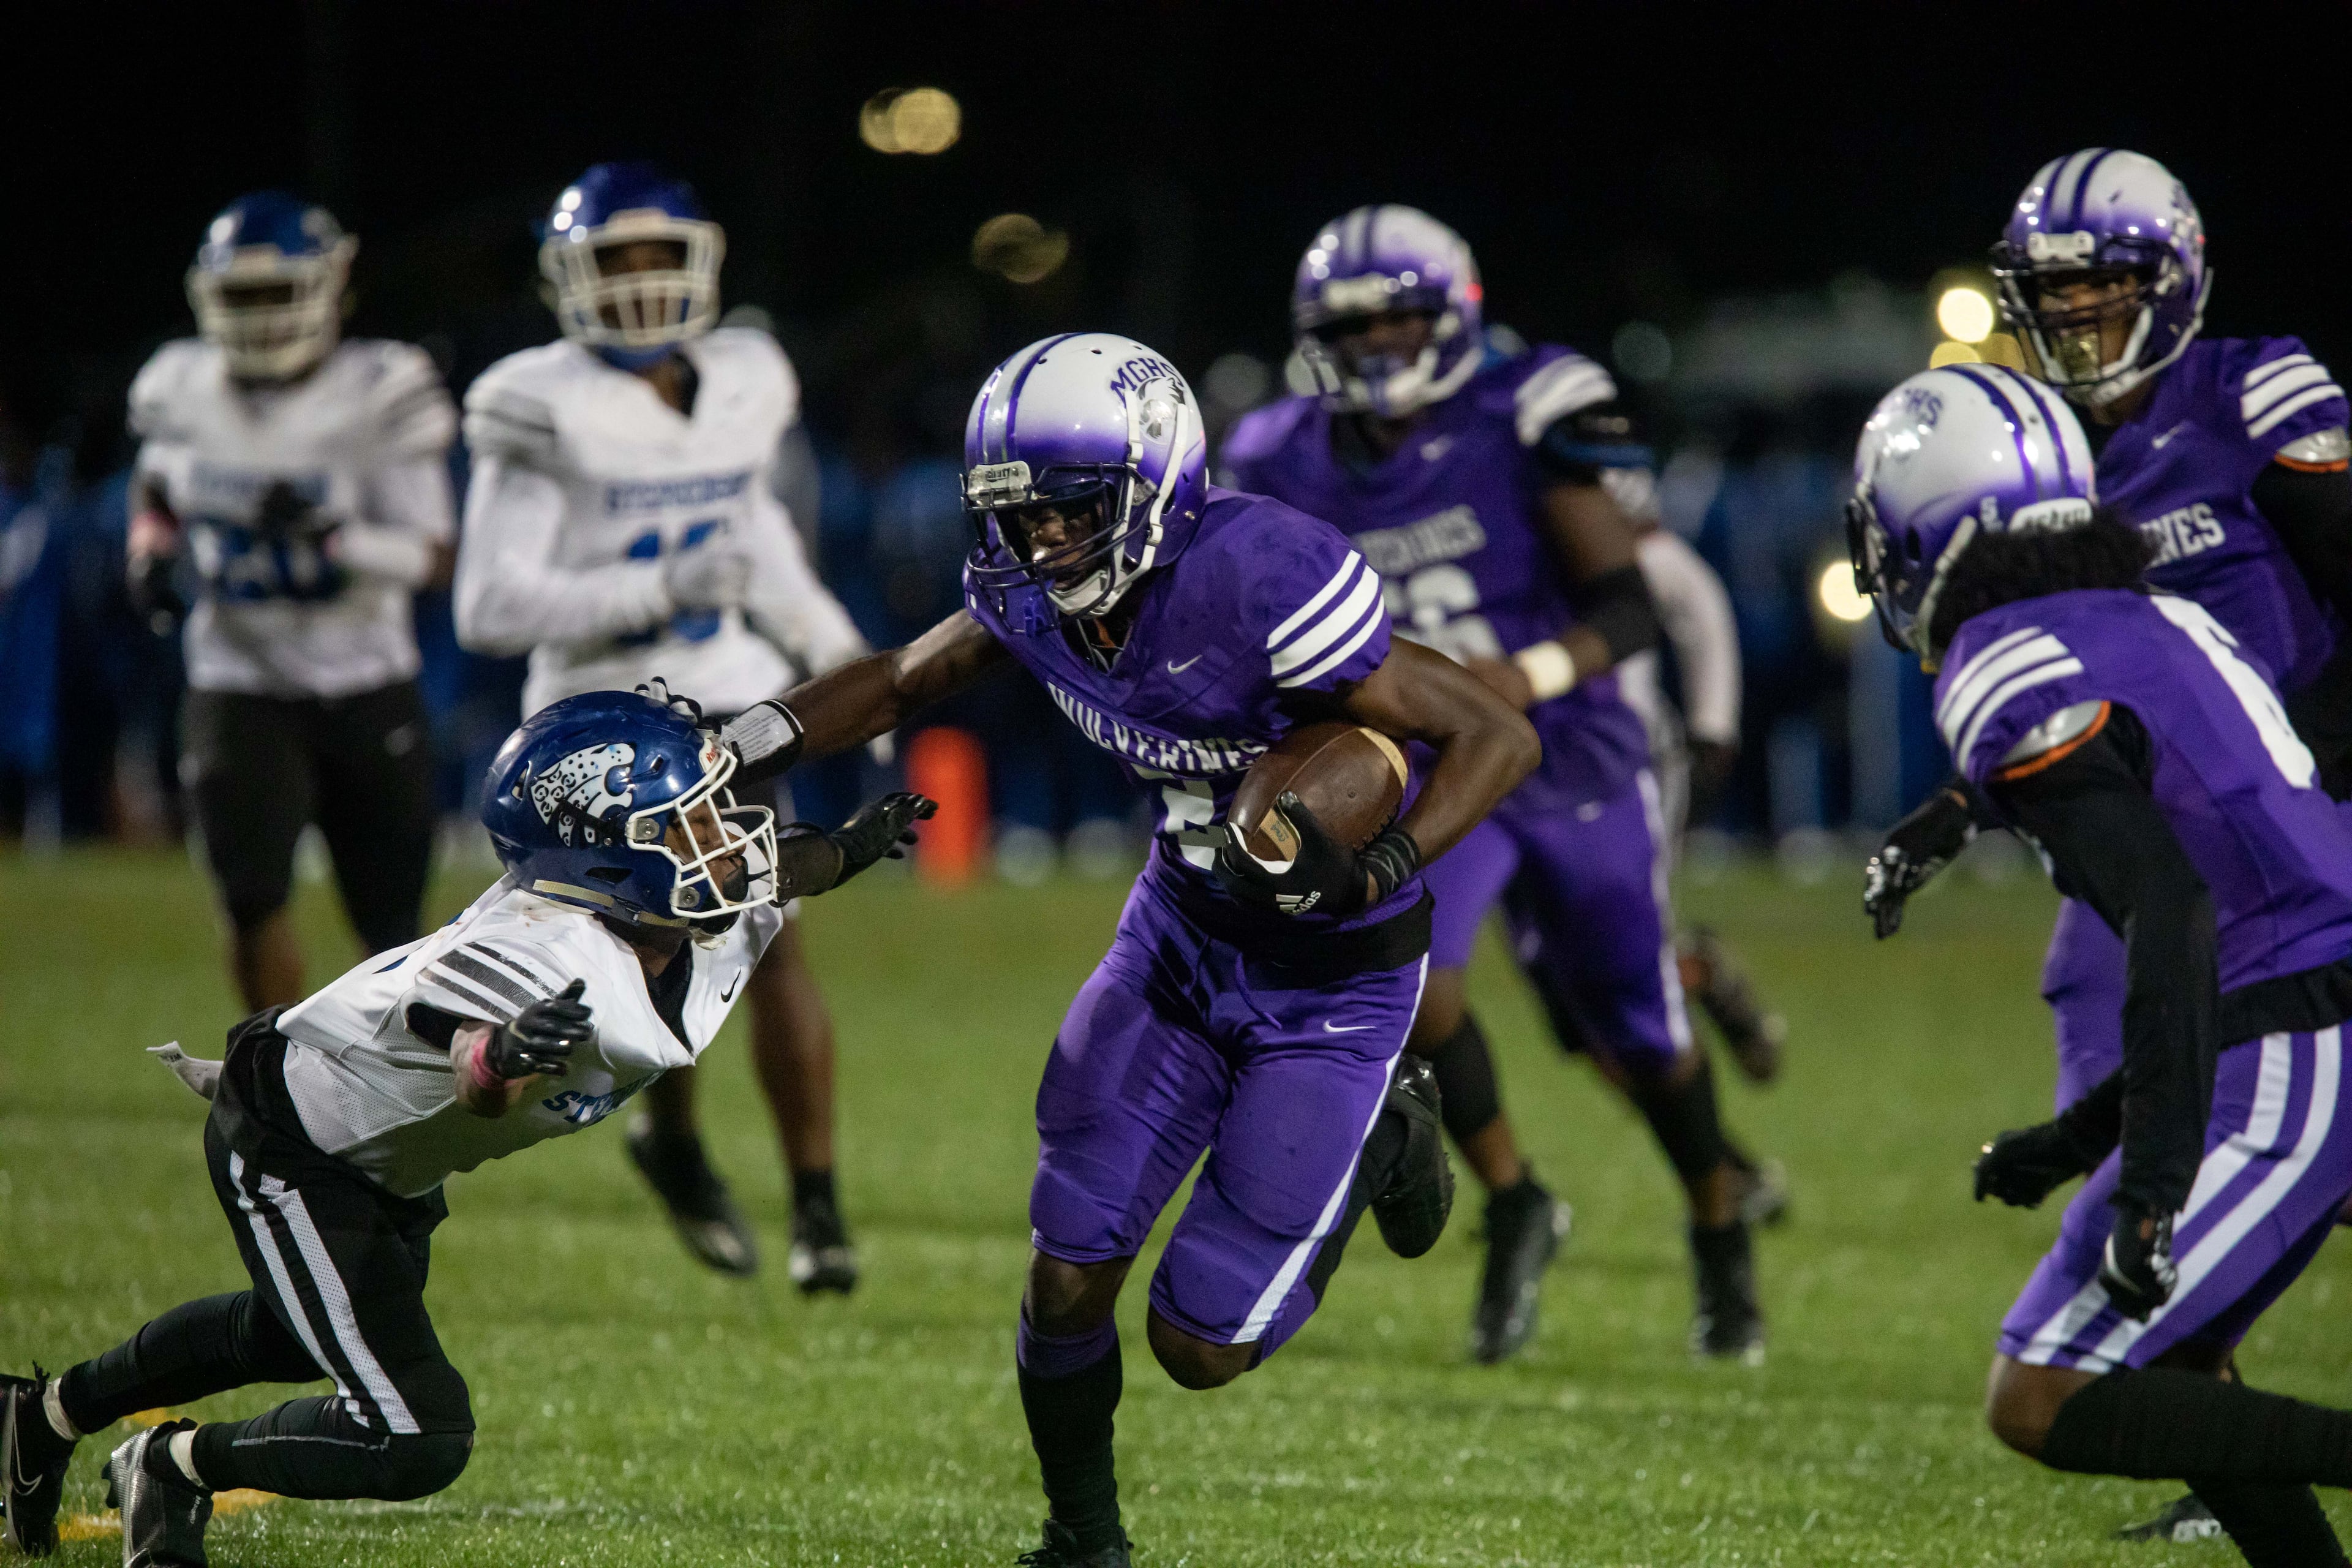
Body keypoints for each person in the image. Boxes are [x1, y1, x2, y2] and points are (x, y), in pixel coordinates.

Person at [712, 331, 1539, 1567]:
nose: (1042, 540)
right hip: (1181, 937)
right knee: (1066, 1267)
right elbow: (898, 679)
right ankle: (1083, 1537)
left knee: (1201, 1343)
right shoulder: (1030, 595)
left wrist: (1381, 863)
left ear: (1155, 480)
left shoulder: (1264, 576)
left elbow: (1495, 733)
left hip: (1333, 980)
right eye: (1020, 514)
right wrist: (743, 742)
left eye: (1067, 510)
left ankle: (1381, 1140)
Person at [0, 692, 930, 1566]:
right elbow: (461, 1054)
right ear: (609, 858)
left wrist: (848, 851)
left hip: (385, 1160)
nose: (727, 843)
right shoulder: (542, 952)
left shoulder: (670, 918)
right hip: (296, 1144)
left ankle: (40, 1420)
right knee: (416, 1431)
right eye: (690, 827)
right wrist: (506, 1056)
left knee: (293, 1335)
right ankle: (170, 1468)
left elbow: (775, 873)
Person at [1861, 149, 2352, 1541]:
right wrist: (1965, 807)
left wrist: (2303, 777)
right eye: (2054, 299)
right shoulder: (2063, 465)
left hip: (2291, 837)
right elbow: (2102, 724)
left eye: (2106, 292)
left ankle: (2175, 1333)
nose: (2078, 323)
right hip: (2232, 838)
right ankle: (2198, 1399)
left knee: (2216, 1121)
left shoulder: (2253, 392)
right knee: (2131, 1029)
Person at [1219, 205, 1776, 1366]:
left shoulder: (1523, 417)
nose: (1376, 347)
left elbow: (1628, 606)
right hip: (1424, 759)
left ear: (1453, 314)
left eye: (1399, 321)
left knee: (1643, 1032)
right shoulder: (1278, 454)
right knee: (1415, 978)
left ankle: (1720, 1221)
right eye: (1352, 327)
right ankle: (1518, 1198)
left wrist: (1514, 678)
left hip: (1566, 749)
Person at [454, 162, 872, 1289]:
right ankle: (675, 1141)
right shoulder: (537, 401)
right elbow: (487, 607)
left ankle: (818, 1206)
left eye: (657, 258)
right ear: (567, 279)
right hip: (595, 727)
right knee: (652, 962)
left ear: (703, 265)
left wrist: (847, 667)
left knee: (772, 937)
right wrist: (657, 588)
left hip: (729, 704)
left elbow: (759, 547)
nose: (639, 285)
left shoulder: (743, 378)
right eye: (615, 262)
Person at [126, 192, 455, 1009]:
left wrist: (334, 535)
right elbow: (157, 486)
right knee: (251, 899)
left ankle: (382, 1086)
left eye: (277, 294)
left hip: (365, 675)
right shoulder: (180, 386)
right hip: (239, 678)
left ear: (329, 288)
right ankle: (276, 1072)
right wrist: (151, 551)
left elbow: (436, 557)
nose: (262, 316)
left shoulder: (384, 386)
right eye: (243, 296)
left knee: (393, 925)